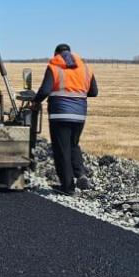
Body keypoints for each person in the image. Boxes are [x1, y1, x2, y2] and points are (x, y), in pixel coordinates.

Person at [32, 44, 99, 194]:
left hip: (59, 114)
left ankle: (67, 187)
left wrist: (35, 101)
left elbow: (45, 90)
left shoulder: (54, 66)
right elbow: (94, 92)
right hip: (79, 115)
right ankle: (80, 174)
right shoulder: (85, 67)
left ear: (57, 54)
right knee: (73, 145)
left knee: (62, 150)